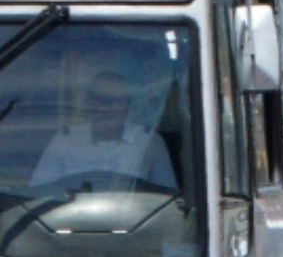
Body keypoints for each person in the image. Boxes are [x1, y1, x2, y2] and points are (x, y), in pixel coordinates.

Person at [30, 70, 177, 189]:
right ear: (88, 103)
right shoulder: (64, 141)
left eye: (121, 101)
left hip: (135, 222)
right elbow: (40, 193)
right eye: (105, 101)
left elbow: (167, 198)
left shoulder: (148, 142)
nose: (113, 108)